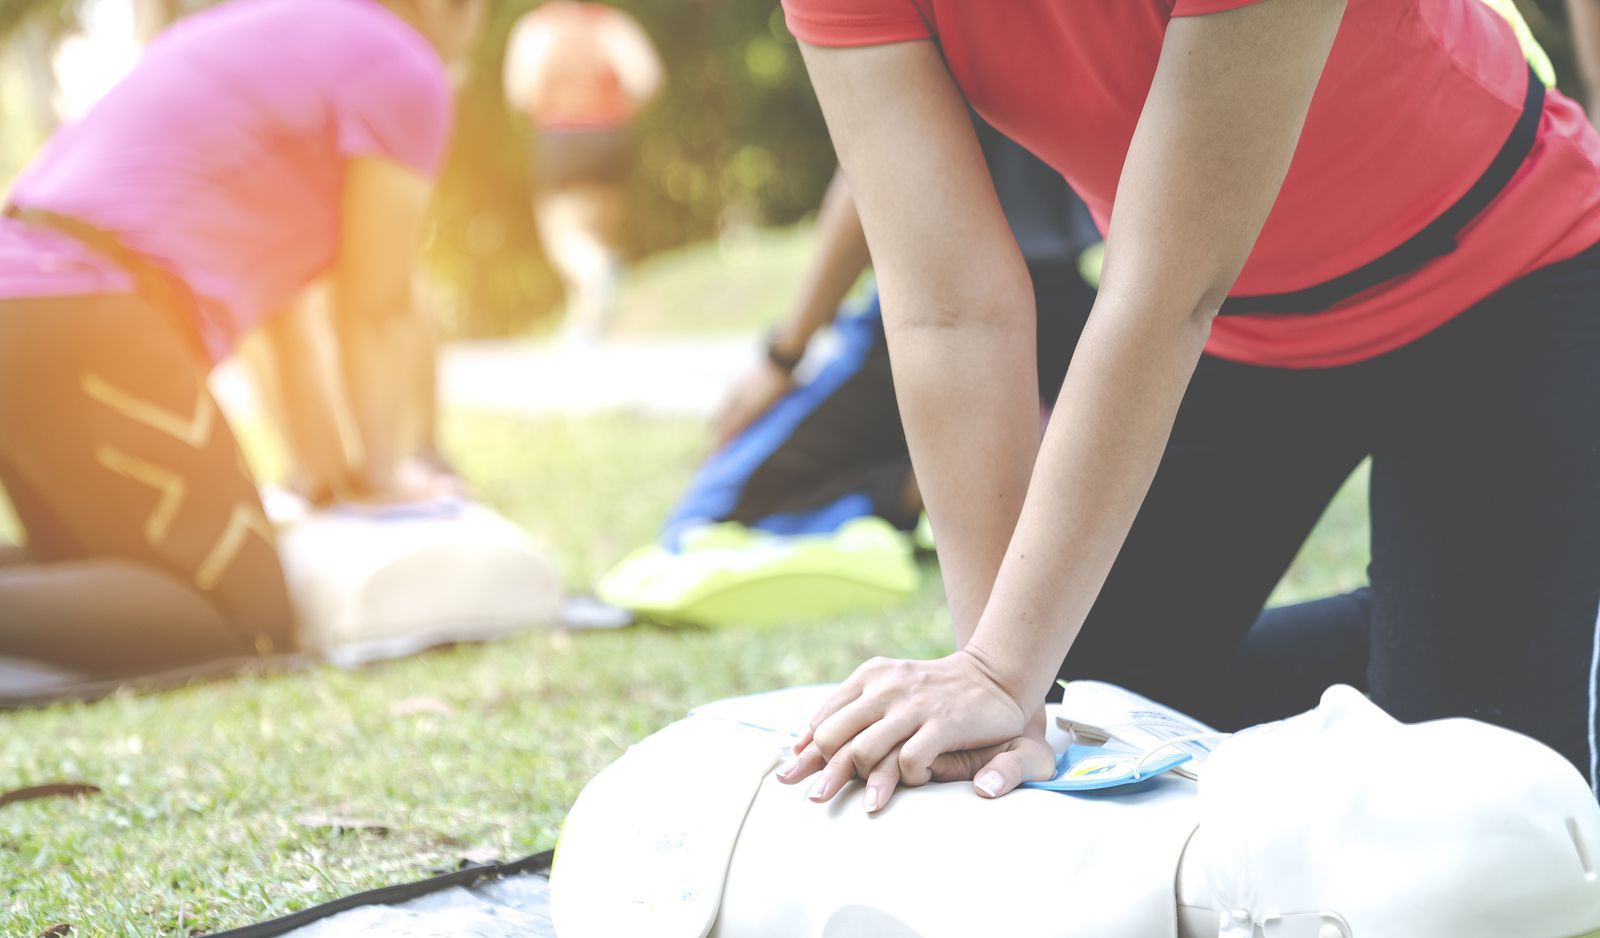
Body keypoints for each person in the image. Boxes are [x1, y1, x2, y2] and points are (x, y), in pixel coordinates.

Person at [772, 0, 1600, 811]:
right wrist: (1001, 684)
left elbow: (1168, 286)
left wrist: (1001, 667)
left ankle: (1527, 612)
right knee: (1078, 704)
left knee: (1478, 814)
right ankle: (1482, 604)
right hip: (1238, 333)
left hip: (1506, 278)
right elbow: (951, 310)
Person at [0, 0, 485, 682]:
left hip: (25, 293)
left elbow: (281, 332)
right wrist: (383, 475)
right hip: (87, 306)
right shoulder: (405, 66)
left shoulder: (266, 28)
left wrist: (328, 477)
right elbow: (377, 303)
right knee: (237, 613)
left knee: (88, 560)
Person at [670, 118, 1100, 549]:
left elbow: (869, 160)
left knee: (701, 523)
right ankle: (971, 474)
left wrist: (783, 358)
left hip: (937, 305)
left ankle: (979, 475)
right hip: (1067, 304)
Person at [503, 1, 663, 341]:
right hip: (609, 136)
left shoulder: (537, 28)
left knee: (564, 238)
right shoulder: (610, 24)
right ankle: (585, 327)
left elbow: (520, 90)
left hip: (561, 136)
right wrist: (622, 109)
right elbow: (646, 78)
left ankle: (600, 275)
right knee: (597, 235)